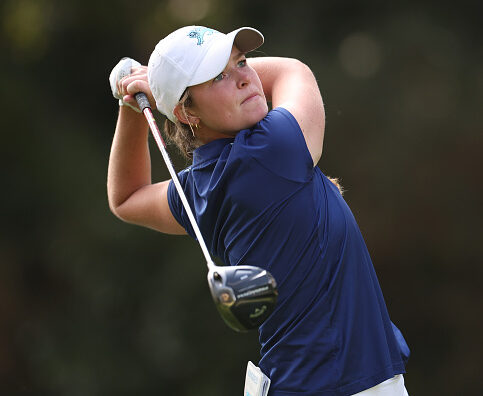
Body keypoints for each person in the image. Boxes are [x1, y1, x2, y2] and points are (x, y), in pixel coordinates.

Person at [107, 26, 410, 396]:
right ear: (187, 112)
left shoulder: (198, 188)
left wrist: (131, 107)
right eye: (219, 76)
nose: (245, 79)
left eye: (242, 62)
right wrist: (157, 90)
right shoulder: (269, 149)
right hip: (343, 385)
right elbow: (292, 71)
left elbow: (126, 197)